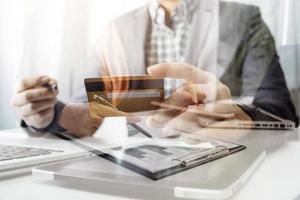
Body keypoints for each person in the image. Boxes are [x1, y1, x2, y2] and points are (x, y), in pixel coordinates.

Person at [12, 0, 299, 138]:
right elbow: (87, 114)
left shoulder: (245, 19)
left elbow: (281, 113)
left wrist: (238, 116)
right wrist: (49, 115)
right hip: (138, 172)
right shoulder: (116, 30)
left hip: (228, 168)